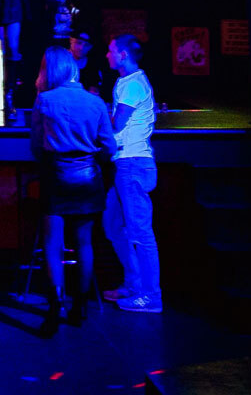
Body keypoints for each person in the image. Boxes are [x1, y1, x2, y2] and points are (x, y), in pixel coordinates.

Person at [31, 46, 117, 334]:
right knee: (84, 243)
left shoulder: (44, 100)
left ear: (49, 70)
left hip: (55, 175)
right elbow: (109, 147)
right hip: (88, 176)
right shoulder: (95, 102)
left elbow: (36, 146)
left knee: (52, 244)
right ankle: (80, 306)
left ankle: (55, 308)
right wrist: (89, 158)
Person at [100, 33, 162, 313]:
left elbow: (116, 125)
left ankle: (151, 296)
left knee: (140, 232)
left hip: (134, 164)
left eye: (111, 51)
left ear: (123, 55)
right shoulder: (125, 82)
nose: (107, 55)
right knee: (113, 224)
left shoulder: (133, 84)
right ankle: (135, 284)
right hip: (124, 164)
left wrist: (93, 107)